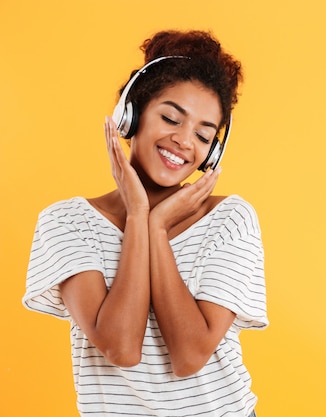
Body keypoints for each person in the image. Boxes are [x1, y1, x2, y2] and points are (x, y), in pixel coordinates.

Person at [23, 29, 268, 417]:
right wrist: (140, 216)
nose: (185, 141)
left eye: (204, 136)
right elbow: (120, 347)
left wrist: (157, 229)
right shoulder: (67, 222)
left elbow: (189, 356)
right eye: (171, 117)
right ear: (130, 114)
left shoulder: (230, 220)